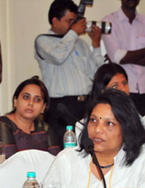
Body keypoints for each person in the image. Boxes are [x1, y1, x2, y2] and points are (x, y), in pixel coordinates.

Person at [43, 89, 145, 188]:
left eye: (109, 123)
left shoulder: (142, 156)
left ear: (126, 128)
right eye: (93, 120)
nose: (98, 129)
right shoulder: (67, 160)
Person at [35, 0, 103, 148]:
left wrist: (96, 45)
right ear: (55, 20)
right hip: (60, 107)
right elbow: (58, 56)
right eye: (69, 21)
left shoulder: (80, 43)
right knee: (62, 150)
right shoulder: (43, 40)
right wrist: (73, 33)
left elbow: (97, 72)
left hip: (85, 104)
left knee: (86, 149)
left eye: (74, 21)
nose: (74, 25)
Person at [102, 0, 145, 116]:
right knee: (123, 129)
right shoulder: (109, 21)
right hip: (121, 88)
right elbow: (117, 57)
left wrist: (126, 56)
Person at [0, 76, 60, 158]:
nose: (31, 103)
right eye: (26, 97)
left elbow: (56, 161)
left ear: (43, 107)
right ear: (15, 101)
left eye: (37, 99)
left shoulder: (45, 129)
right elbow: (10, 161)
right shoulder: (3, 124)